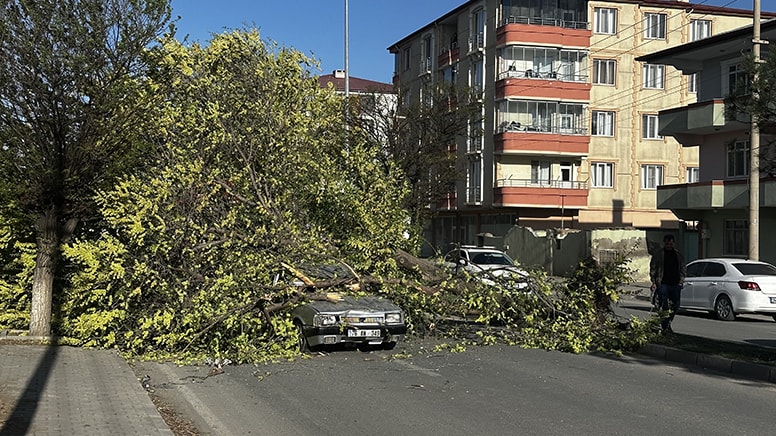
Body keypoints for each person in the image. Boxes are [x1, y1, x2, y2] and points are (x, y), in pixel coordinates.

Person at [649, 234, 686, 334]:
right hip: (663, 284)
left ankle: (668, 322)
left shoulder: (678, 255)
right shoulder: (659, 255)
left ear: (673, 243)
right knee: (664, 306)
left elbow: (683, 268)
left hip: (675, 284)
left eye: (671, 243)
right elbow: (653, 268)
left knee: (676, 305)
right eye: (667, 243)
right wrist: (654, 281)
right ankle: (666, 327)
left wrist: (681, 281)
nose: (669, 245)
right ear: (664, 243)